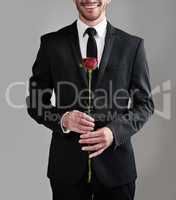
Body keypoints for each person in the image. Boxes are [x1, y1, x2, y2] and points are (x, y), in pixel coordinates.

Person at [26, 0, 155, 199]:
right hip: (66, 171)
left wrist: (114, 132)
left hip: (117, 170)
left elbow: (145, 104)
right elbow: (35, 101)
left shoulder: (132, 45)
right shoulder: (51, 43)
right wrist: (63, 119)